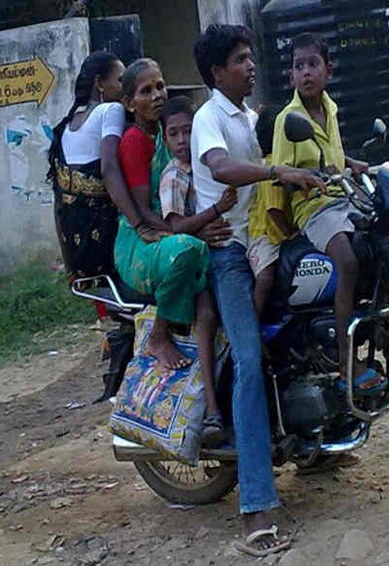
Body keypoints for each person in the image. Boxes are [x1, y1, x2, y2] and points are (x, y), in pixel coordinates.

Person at [191, 24, 323, 556]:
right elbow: (221, 167)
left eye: (251, 58)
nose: (251, 66)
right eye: (241, 60)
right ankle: (255, 509)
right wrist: (275, 170)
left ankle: (322, 441)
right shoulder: (208, 119)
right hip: (229, 254)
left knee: (302, 325)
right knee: (249, 361)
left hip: (268, 239)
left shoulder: (253, 116)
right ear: (218, 71)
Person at [270, 32, 383, 392]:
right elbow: (281, 174)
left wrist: (352, 163)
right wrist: (304, 180)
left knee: (383, 243)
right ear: (290, 76)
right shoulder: (288, 120)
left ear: (328, 71)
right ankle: (346, 357)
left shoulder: (329, 109)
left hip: (341, 198)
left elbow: (329, 153)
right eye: (298, 66)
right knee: (347, 261)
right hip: (313, 208)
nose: (305, 73)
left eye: (312, 65)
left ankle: (385, 329)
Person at [113, 58, 230, 373]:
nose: (157, 95)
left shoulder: (169, 130)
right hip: (143, 238)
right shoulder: (136, 141)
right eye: (145, 91)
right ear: (129, 103)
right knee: (188, 251)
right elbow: (145, 210)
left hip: (176, 226)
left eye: (160, 86)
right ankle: (159, 335)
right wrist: (191, 231)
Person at [157, 95, 237, 442]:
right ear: (164, 138)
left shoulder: (209, 161)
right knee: (206, 317)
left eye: (187, 132)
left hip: (220, 248)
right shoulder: (173, 176)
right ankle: (212, 411)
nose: (180, 140)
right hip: (193, 262)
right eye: (173, 133)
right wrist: (214, 212)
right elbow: (176, 227)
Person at [47, 51, 158, 282]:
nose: (126, 85)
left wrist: (69, 264)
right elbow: (108, 168)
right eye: (120, 80)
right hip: (104, 234)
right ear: (99, 83)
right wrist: (139, 224)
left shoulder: (67, 125)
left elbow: (59, 203)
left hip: (77, 242)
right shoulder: (111, 110)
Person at [247, 105, 293, 318]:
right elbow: (274, 210)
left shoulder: (282, 163)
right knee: (266, 276)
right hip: (264, 235)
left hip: (276, 233)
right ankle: (254, 323)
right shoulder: (272, 167)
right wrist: (291, 234)